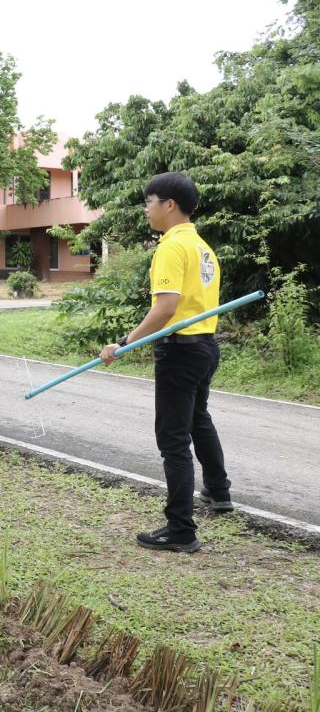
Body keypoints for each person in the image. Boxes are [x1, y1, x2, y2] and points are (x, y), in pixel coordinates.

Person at [99, 172, 229, 553]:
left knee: (173, 439)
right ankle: (219, 491)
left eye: (149, 202)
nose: (146, 210)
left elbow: (166, 307)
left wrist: (122, 343)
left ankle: (181, 530)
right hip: (205, 347)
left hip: (181, 352)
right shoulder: (202, 246)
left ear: (169, 204)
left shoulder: (171, 248)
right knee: (197, 419)